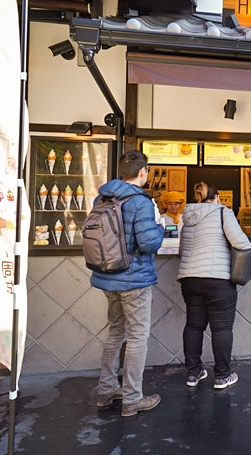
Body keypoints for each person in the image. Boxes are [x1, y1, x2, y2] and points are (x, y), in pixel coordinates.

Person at [92, 150, 164, 417]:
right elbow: (148, 243)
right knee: (137, 337)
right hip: (134, 278)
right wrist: (159, 226)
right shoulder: (140, 202)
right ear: (143, 172)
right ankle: (132, 398)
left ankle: (106, 391)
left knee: (115, 333)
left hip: (108, 276)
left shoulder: (102, 197)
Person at [177, 181, 251, 390]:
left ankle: (193, 373)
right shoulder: (222, 212)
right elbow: (241, 243)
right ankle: (222, 376)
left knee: (193, 325)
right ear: (217, 197)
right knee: (221, 328)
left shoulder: (188, 215)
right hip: (217, 279)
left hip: (189, 279)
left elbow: (182, 250)